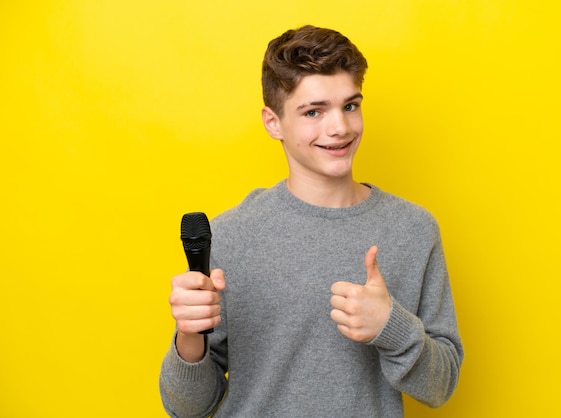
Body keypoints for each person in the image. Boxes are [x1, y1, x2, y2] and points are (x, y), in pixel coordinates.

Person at [159, 25, 463, 417]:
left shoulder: (413, 230)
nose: (340, 127)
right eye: (314, 111)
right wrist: (189, 336)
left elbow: (441, 388)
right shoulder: (231, 236)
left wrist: (392, 326)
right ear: (273, 122)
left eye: (350, 106)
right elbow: (186, 408)